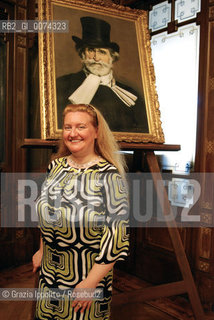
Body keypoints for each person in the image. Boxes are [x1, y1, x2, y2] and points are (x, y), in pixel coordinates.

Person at [32, 104, 129, 320]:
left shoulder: (109, 175)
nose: (73, 133)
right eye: (68, 127)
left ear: (96, 132)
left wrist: (90, 282)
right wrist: (41, 249)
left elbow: (116, 237)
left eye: (81, 126)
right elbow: (47, 214)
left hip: (86, 276)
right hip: (50, 274)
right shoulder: (55, 167)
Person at [56, 16, 149, 133]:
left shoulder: (131, 95)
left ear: (112, 57)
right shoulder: (63, 85)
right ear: (82, 55)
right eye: (91, 50)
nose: (96, 58)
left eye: (102, 52)